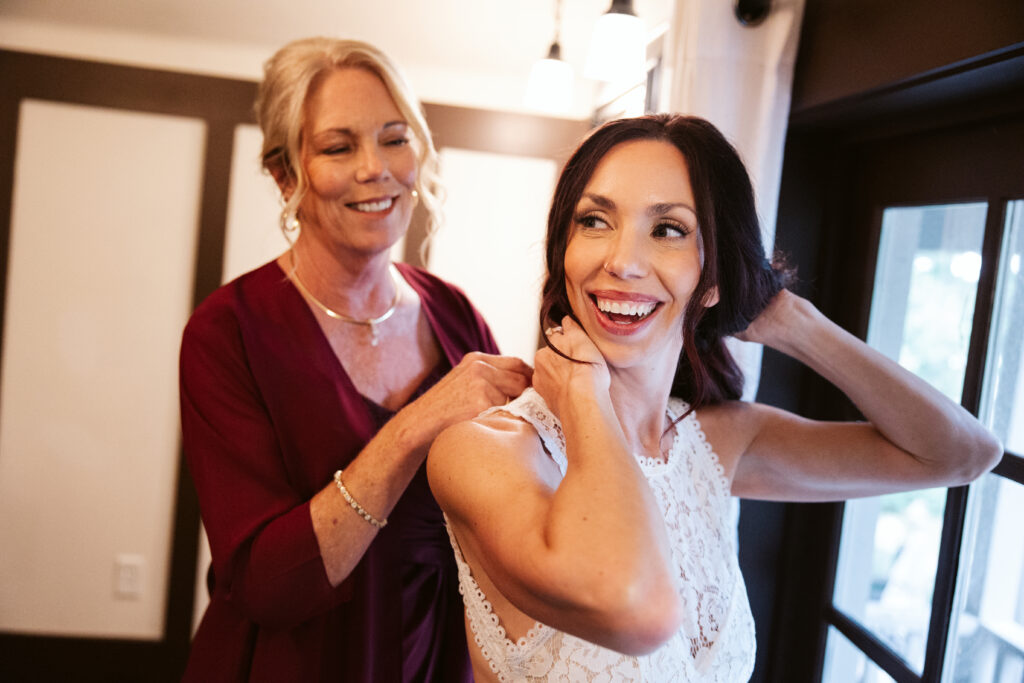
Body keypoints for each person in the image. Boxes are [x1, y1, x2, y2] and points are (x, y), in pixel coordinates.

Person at [427, 114, 1002, 681]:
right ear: (564, 251)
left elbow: (961, 455)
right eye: (595, 221)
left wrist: (792, 321)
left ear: (716, 276)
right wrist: (583, 396)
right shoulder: (486, 453)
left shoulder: (718, 443)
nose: (621, 262)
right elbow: (636, 608)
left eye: (668, 229)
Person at [178, 37, 531, 682]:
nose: (376, 168)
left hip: (432, 660)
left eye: (394, 139)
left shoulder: (457, 316)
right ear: (286, 175)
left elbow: (505, 521)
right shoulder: (227, 332)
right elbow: (265, 585)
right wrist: (414, 425)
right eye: (339, 148)